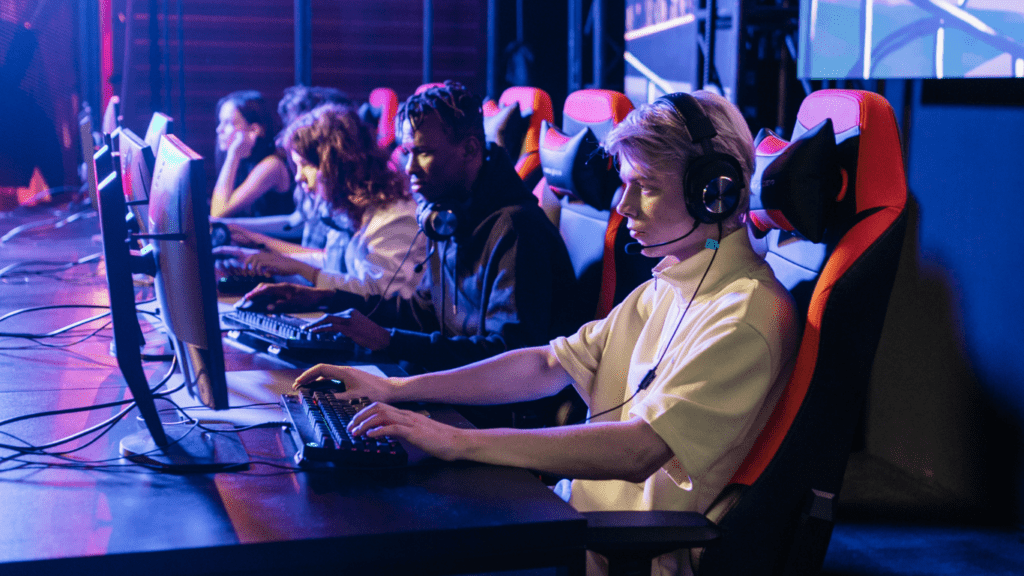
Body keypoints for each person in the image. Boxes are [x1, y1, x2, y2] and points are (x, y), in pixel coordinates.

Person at [290, 91, 801, 575]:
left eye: (644, 188)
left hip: (610, 551)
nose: (623, 208)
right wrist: (395, 388)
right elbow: (547, 364)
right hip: (569, 520)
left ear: (714, 193)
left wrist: (458, 440)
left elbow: (639, 449)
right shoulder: (670, 284)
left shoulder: (744, 316)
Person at [240, 81, 580, 417]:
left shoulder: (516, 230)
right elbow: (421, 312)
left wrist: (390, 341)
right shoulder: (448, 215)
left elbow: (510, 358)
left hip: (494, 418)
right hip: (453, 395)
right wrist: (326, 298)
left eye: (424, 153)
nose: (409, 168)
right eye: (408, 152)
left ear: (471, 149)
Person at [218, 103, 425, 298]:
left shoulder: (393, 217)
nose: (298, 177)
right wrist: (269, 262)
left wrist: (300, 268)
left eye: (305, 165)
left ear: (336, 164)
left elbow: (378, 294)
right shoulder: (345, 210)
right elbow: (332, 263)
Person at [215, 85, 353, 241]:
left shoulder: (275, 165)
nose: (290, 133)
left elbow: (219, 211)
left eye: (300, 126)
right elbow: (294, 222)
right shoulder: (308, 175)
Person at [210, 90, 293, 218]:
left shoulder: (272, 164)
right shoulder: (245, 160)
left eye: (228, 123)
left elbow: (218, 213)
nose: (219, 129)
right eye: (220, 122)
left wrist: (233, 154)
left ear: (254, 129)